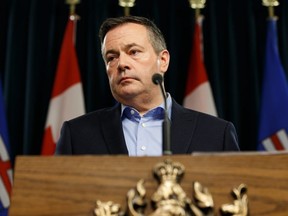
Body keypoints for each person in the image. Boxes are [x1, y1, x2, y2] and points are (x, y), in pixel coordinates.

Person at [56, 15, 239, 155]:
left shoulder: (216, 133)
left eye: (134, 52)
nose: (121, 64)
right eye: (111, 57)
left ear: (163, 60)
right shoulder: (77, 135)